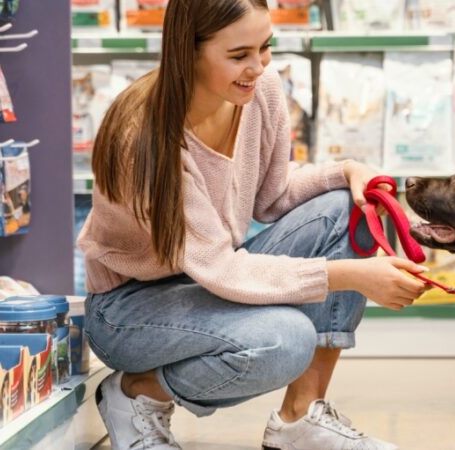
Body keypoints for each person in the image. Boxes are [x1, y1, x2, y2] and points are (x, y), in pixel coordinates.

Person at [77, 1, 431, 449]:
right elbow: (222, 268)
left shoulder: (260, 91)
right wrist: (348, 276)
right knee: (284, 341)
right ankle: (136, 393)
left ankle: (300, 420)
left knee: (351, 207)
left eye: (265, 48)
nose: (258, 66)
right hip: (129, 312)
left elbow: (272, 198)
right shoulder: (144, 139)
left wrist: (347, 171)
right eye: (239, 55)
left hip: (205, 279)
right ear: (188, 51)